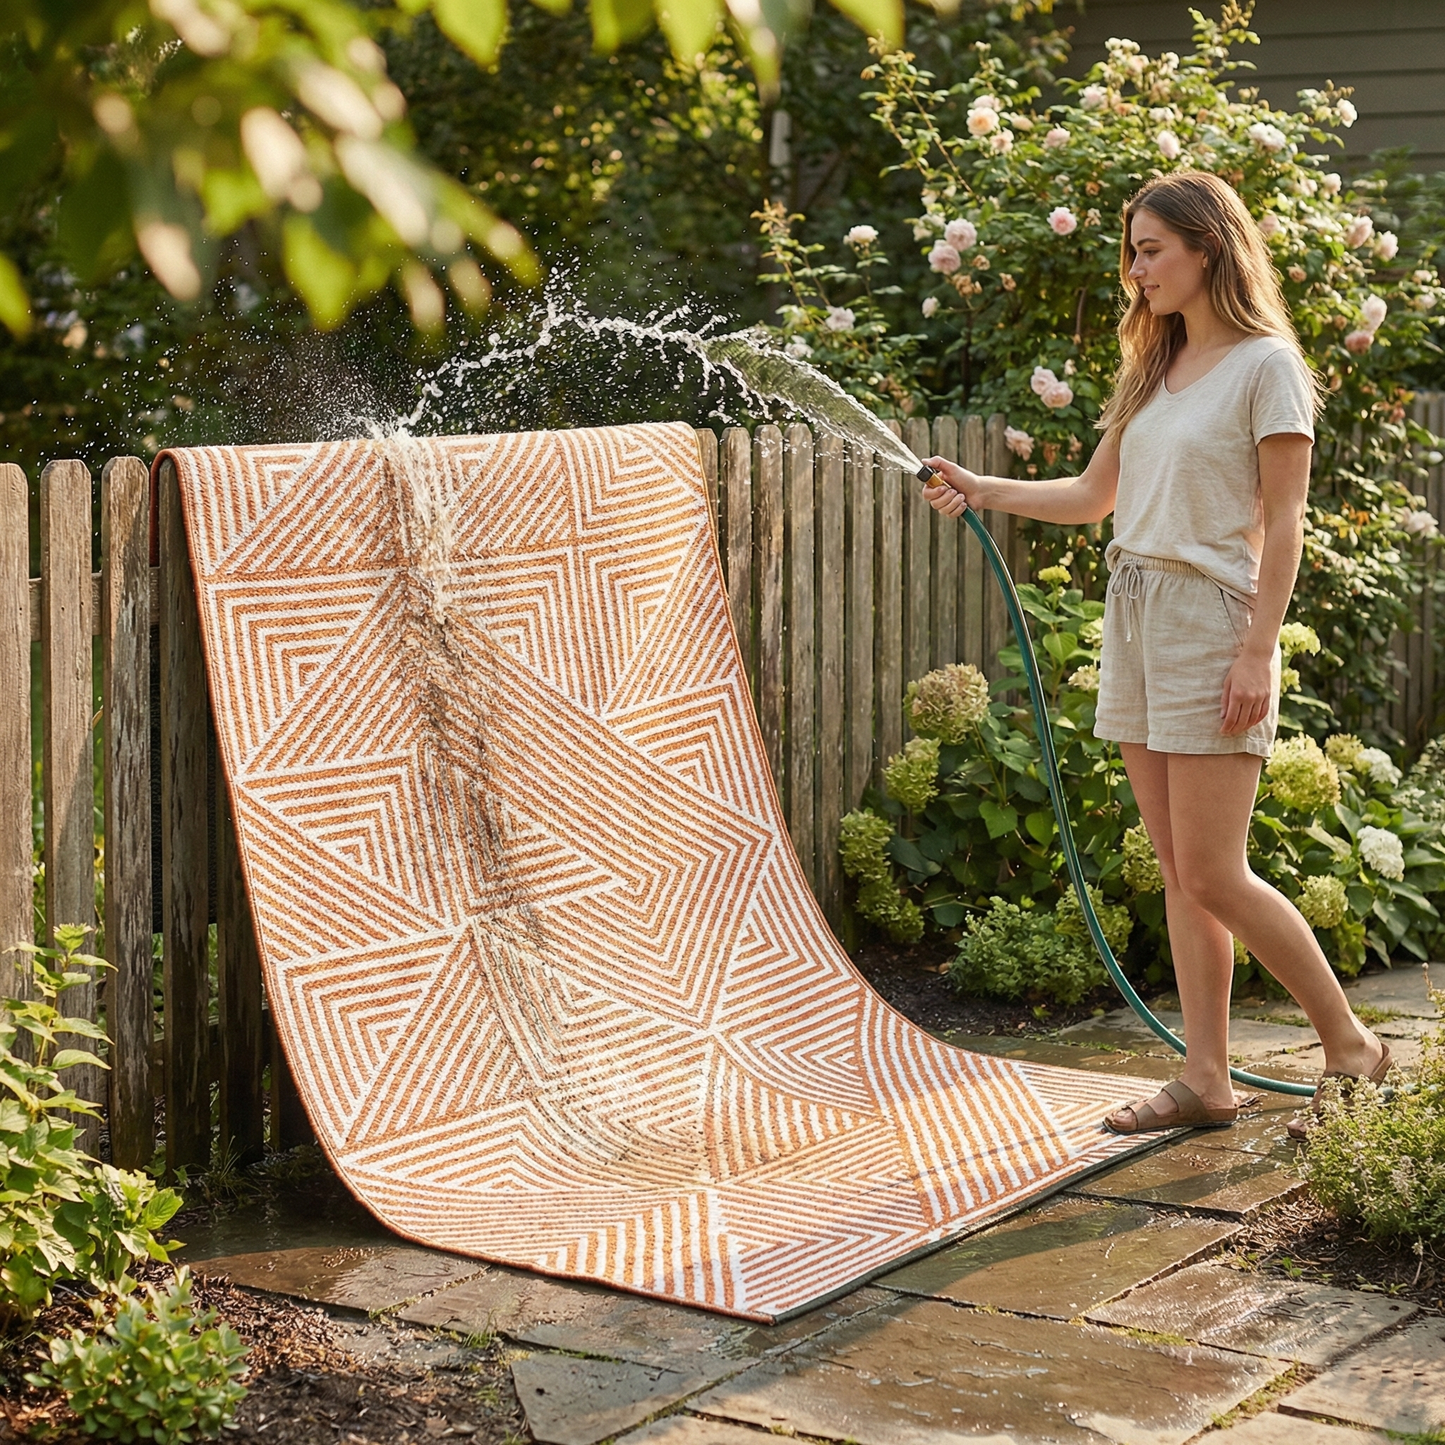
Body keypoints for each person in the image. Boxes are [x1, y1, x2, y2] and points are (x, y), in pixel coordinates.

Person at [920, 171, 1390, 1135]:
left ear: (1206, 248)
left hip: (1211, 618)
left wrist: (1257, 650)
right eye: (1130, 251)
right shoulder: (1152, 368)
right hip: (1133, 610)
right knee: (1178, 872)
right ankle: (1206, 1078)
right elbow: (1095, 497)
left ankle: (1349, 1042)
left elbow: (1287, 523)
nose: (1135, 270)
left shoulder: (1268, 367)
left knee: (1216, 871)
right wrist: (982, 487)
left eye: (1149, 250)